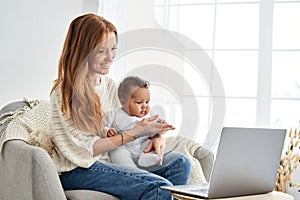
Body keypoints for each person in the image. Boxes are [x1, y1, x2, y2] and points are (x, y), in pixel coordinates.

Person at [49, 13, 191, 200]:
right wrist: (133, 133)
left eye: (113, 49)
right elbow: (85, 150)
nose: (110, 57)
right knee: (159, 187)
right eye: (101, 51)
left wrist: (156, 136)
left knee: (181, 163)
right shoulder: (63, 92)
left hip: (110, 160)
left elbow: (125, 122)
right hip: (79, 168)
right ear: (82, 51)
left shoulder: (108, 86)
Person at [106, 76, 175, 168]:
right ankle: (130, 168)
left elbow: (153, 132)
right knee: (117, 152)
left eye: (147, 102)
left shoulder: (148, 116)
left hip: (142, 145)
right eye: (139, 102)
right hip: (124, 146)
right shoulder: (114, 114)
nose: (144, 106)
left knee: (150, 145)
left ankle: (147, 158)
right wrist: (107, 130)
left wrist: (161, 127)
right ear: (123, 103)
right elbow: (100, 127)